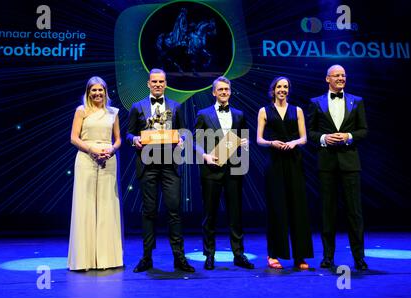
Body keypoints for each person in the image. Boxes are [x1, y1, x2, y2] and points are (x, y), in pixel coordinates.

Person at [126, 68, 195, 273]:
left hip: (170, 166)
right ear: (148, 84)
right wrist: (135, 139)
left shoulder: (176, 106)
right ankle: (147, 257)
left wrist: (181, 139)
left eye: (161, 81)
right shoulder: (137, 107)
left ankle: (179, 257)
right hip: (147, 165)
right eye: (154, 81)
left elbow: (184, 131)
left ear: (165, 84)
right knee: (149, 212)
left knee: (174, 212)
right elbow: (129, 134)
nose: (157, 84)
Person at [308, 64, 369, 270]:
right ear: (328, 79)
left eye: (343, 75)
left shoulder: (356, 101)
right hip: (327, 164)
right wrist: (325, 138)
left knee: (354, 212)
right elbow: (310, 133)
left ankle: (359, 258)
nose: (341, 78)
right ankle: (327, 257)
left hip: (350, 163)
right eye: (337, 75)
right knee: (328, 211)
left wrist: (349, 136)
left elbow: (363, 130)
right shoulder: (315, 102)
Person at [194, 76, 254, 270]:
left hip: (234, 170)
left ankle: (238, 253)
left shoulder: (239, 114)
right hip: (211, 169)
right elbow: (194, 142)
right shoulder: (203, 114)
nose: (223, 92)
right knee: (209, 214)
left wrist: (245, 143)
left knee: (235, 214)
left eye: (226, 89)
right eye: (220, 90)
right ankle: (209, 254)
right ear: (214, 92)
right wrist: (205, 156)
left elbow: (244, 138)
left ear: (230, 91)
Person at [256, 77, 314, 270]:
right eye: (279, 87)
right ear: (273, 90)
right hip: (274, 163)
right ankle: (273, 255)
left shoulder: (297, 110)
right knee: (276, 208)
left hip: (294, 161)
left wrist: (294, 143)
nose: (283, 90)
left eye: (286, 87)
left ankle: (300, 256)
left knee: (298, 208)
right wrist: (272, 143)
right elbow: (259, 139)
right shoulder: (264, 111)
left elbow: (304, 137)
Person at [68, 76, 123, 271]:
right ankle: (84, 259)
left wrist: (112, 150)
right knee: (86, 204)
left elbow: (118, 139)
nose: (97, 94)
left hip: (108, 159)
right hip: (85, 158)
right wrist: (91, 150)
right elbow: (74, 138)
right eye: (94, 90)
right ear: (88, 92)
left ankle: (108, 258)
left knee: (107, 204)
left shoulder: (113, 113)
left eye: (101, 90)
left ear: (105, 92)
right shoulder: (81, 111)